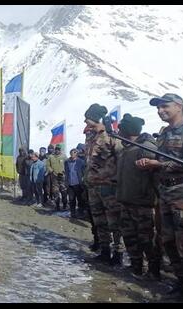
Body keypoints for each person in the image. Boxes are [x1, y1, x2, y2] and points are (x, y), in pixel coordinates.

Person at [135, 93, 183, 301]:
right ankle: (182, 283)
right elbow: (160, 161)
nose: (160, 111)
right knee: (168, 242)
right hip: (165, 192)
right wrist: (149, 165)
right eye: (158, 108)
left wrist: (158, 164)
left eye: (164, 106)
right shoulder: (165, 133)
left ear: (179, 106)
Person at [116, 114, 160, 279]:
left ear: (127, 130)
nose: (118, 132)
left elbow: (157, 174)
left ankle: (154, 271)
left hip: (142, 203)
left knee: (146, 238)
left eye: (121, 129)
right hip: (126, 200)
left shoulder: (147, 147)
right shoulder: (125, 149)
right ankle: (136, 267)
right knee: (130, 237)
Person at [84, 103, 124, 265]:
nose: (85, 122)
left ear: (95, 118)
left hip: (109, 186)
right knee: (99, 221)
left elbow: (121, 158)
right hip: (93, 186)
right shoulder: (90, 137)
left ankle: (118, 253)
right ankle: (104, 250)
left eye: (87, 118)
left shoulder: (112, 136)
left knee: (114, 222)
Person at [64, 148, 86, 218]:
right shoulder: (67, 162)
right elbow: (66, 172)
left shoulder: (81, 162)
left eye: (75, 152)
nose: (73, 154)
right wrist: (66, 182)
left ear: (77, 153)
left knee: (80, 199)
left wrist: (83, 181)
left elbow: (84, 172)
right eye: (72, 153)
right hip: (70, 184)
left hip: (79, 184)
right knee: (71, 199)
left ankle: (81, 213)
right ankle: (72, 213)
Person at [46, 145, 68, 211]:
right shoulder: (50, 157)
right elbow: (47, 165)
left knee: (64, 192)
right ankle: (57, 206)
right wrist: (51, 170)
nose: (57, 151)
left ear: (60, 150)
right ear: (55, 150)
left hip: (62, 177)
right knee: (55, 192)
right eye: (56, 149)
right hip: (54, 177)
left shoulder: (64, 156)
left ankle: (64, 205)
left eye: (59, 149)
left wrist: (65, 172)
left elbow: (67, 164)